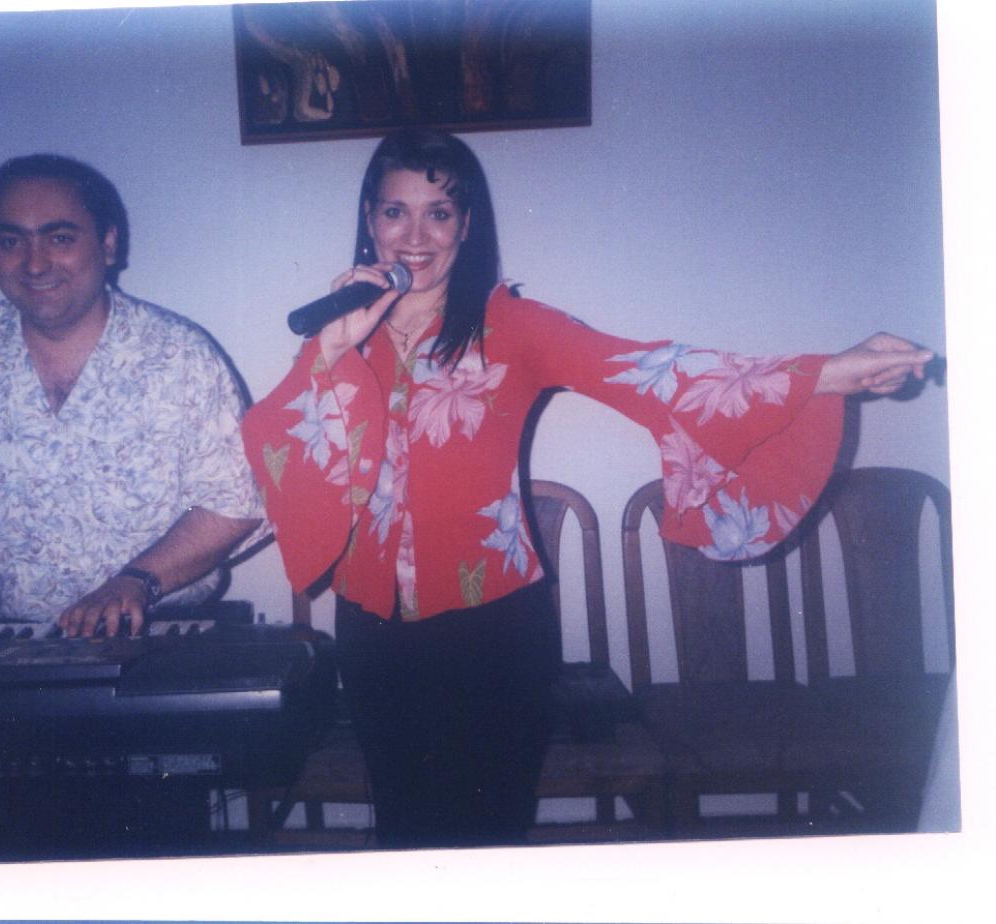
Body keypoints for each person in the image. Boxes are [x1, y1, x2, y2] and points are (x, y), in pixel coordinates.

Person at [241, 128, 934, 848]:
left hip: (492, 631)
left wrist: (827, 373)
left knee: (486, 841)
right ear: (370, 219)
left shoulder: (513, 324)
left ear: (466, 225)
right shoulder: (341, 331)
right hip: (374, 631)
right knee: (405, 838)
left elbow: (650, 372)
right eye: (395, 211)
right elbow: (282, 452)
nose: (415, 236)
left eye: (438, 212)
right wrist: (330, 348)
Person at [0, 154, 263, 637]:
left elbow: (234, 501)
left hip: (158, 629)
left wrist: (136, 582)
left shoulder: (181, 355)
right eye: (11, 241)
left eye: (59, 239)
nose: (34, 264)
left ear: (108, 244)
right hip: (9, 638)